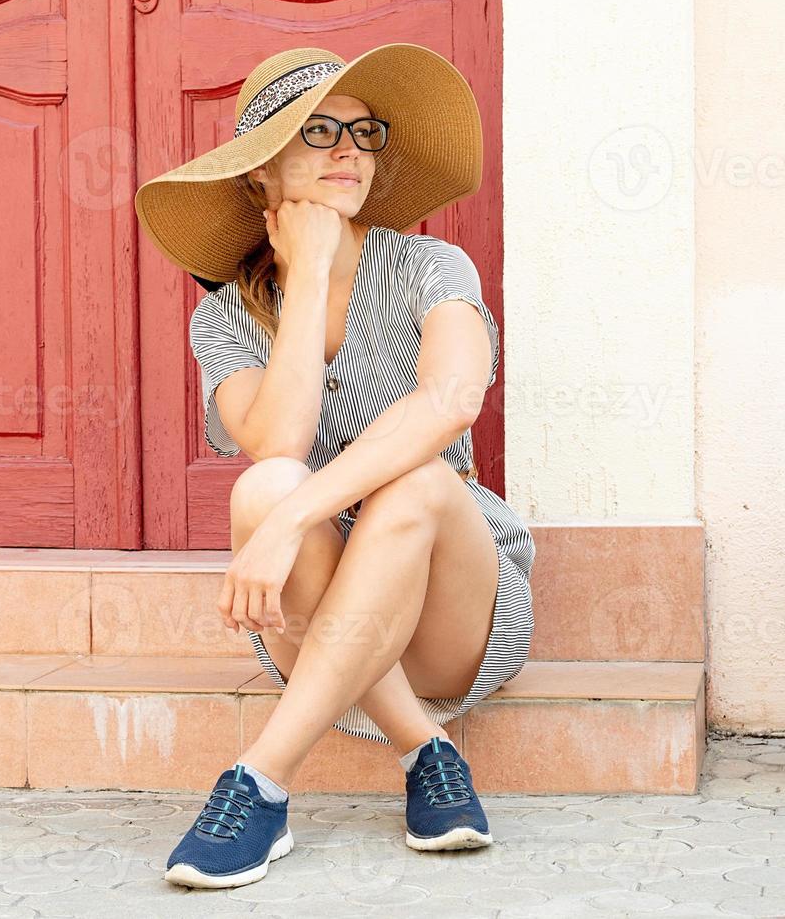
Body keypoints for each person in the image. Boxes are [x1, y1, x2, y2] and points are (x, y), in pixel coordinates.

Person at [134, 44, 535, 890]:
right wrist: (307, 272)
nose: (349, 147)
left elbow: (450, 400)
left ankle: (260, 779)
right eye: (317, 131)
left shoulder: (430, 267)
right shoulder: (223, 322)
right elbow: (277, 442)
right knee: (264, 480)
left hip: (450, 609)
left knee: (417, 478)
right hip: (320, 621)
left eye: (362, 130)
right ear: (260, 176)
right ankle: (427, 752)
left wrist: (284, 524)